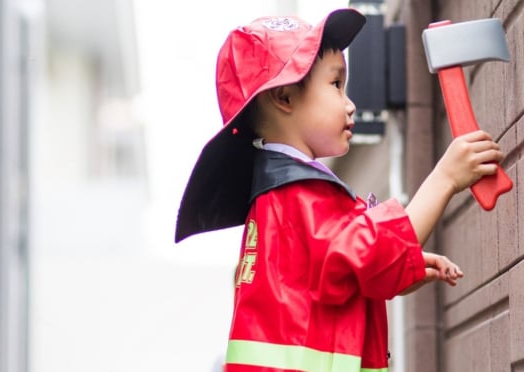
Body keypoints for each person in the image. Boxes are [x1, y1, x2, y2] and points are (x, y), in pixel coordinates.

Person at [175, 8, 504, 372]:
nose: (350, 103)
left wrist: (405, 264)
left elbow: (349, 274)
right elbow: (372, 255)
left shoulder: (276, 202)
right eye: (335, 84)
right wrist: (446, 178)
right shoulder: (300, 196)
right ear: (284, 97)